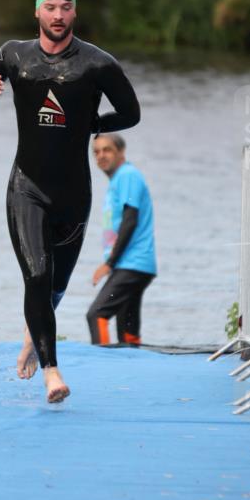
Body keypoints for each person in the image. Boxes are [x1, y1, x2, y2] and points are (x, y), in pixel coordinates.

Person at [0, 0, 140, 403]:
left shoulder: (97, 64)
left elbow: (131, 113)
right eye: (50, 8)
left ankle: (32, 338)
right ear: (37, 11)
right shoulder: (14, 56)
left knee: (54, 287)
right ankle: (52, 372)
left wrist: (94, 124)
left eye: (65, 8)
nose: (57, 16)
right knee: (36, 275)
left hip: (74, 195)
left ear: (74, 12)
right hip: (27, 187)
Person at [87, 134, 156, 346]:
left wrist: (109, 263)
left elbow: (130, 219)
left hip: (132, 263)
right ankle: (133, 366)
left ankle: (102, 368)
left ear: (121, 152)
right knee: (127, 329)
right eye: (96, 152)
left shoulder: (127, 175)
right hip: (132, 264)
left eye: (107, 150)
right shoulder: (119, 179)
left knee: (96, 314)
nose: (100, 156)